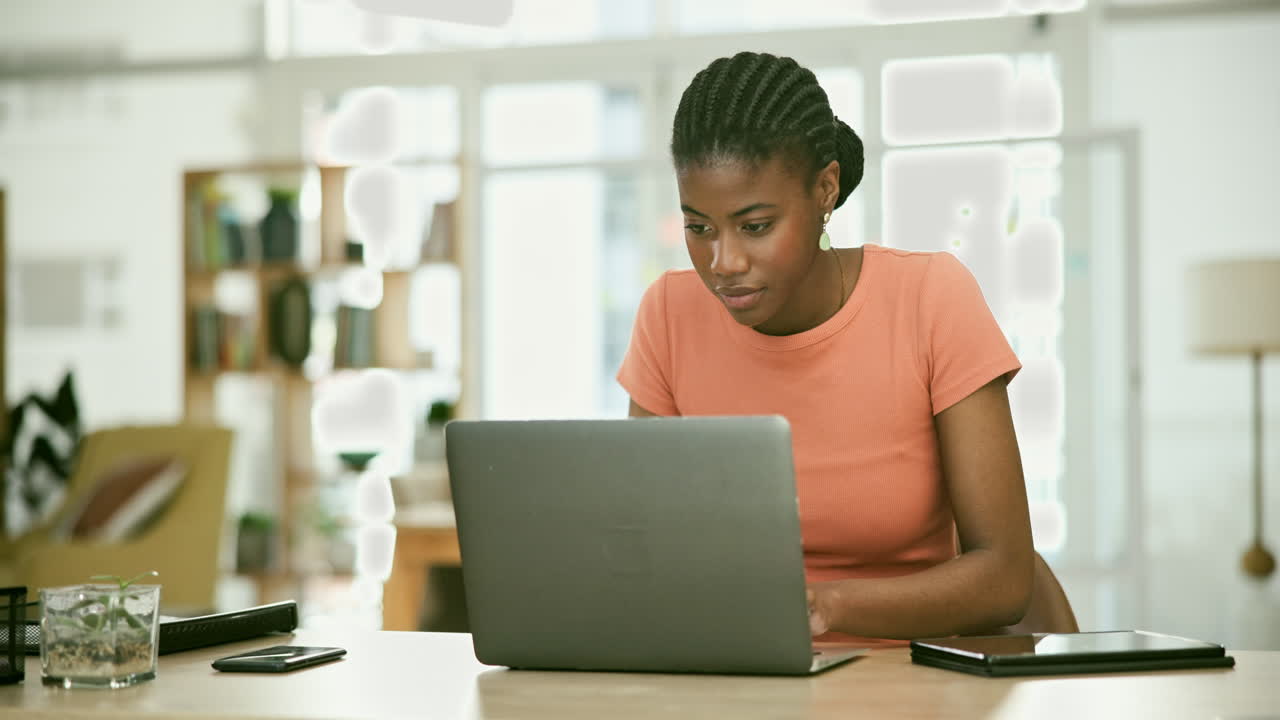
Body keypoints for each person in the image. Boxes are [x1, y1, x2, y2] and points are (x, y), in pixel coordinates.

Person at [616, 51, 1034, 647]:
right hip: (730, 679)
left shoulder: (931, 299)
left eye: (755, 225)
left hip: (908, 682)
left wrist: (826, 605)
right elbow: (638, 546)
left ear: (825, 189)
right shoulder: (668, 314)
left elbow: (1006, 577)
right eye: (699, 228)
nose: (723, 263)